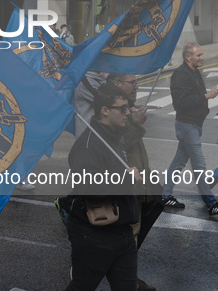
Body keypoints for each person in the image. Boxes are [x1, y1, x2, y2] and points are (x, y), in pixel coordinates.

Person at [64, 84, 141, 290]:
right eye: (123, 108)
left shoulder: (113, 137)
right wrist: (125, 177)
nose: (128, 112)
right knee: (82, 286)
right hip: (96, 236)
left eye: (129, 107)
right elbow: (89, 187)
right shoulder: (88, 145)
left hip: (122, 233)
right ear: (105, 110)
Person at [107, 73, 162, 291]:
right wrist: (136, 124)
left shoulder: (126, 108)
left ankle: (127, 280)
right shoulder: (113, 110)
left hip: (138, 184)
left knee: (132, 237)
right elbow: (117, 145)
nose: (137, 86)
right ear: (117, 84)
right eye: (132, 82)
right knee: (129, 236)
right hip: (126, 185)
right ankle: (126, 282)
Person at [161, 43, 218, 215]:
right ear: (188, 57)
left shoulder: (194, 71)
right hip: (187, 125)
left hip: (194, 125)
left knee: (178, 162)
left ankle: (165, 195)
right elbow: (180, 103)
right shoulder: (180, 75)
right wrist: (207, 96)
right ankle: (211, 203)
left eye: (201, 54)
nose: (202, 57)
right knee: (199, 166)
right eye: (198, 55)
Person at [74, 71, 107, 138]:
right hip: (87, 133)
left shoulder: (99, 79)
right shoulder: (84, 80)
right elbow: (105, 99)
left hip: (99, 132)